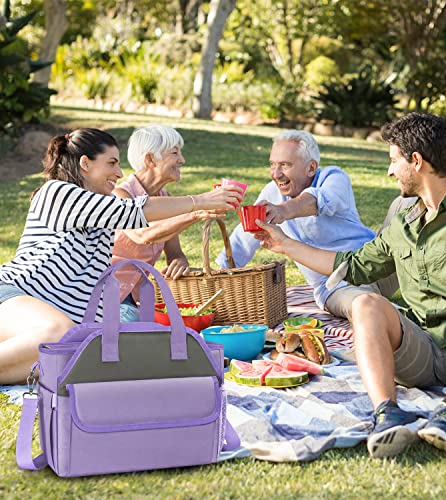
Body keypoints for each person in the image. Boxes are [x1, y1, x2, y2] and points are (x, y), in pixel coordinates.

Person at [254, 113, 446, 458]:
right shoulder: (403, 220)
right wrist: (283, 244)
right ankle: (387, 413)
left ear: (416, 161)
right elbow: (350, 266)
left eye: (393, 160)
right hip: (423, 352)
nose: (389, 171)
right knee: (364, 304)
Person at [0, 128, 242, 384]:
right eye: (112, 163)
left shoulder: (100, 216)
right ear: (85, 163)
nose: (119, 172)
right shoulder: (57, 193)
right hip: (13, 296)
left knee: (80, 357)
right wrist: (202, 200)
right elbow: (133, 212)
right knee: (60, 335)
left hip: (53, 323)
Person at [216, 129, 392, 320]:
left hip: (376, 264)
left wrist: (283, 210)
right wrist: (217, 274)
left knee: (403, 205)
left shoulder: (334, 178)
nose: (276, 173)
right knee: (366, 307)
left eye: (284, 165)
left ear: (311, 168)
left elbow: (317, 200)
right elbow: (242, 240)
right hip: (336, 285)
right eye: (273, 164)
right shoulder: (271, 193)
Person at [111, 125, 222, 322]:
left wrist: (180, 262)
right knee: (143, 334)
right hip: (109, 296)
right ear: (150, 159)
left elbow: (175, 253)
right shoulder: (121, 195)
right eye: (174, 153)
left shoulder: (165, 198)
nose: (182, 160)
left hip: (139, 299)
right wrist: (196, 210)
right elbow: (145, 234)